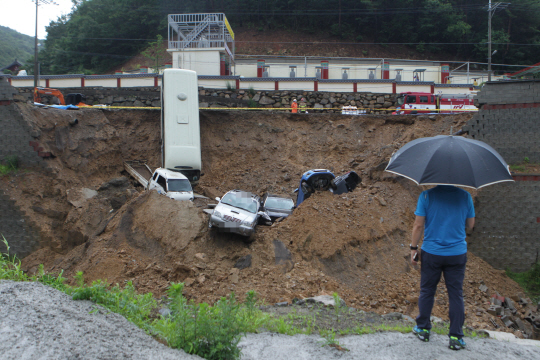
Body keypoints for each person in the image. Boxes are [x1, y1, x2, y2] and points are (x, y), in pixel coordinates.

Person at [410, 185, 475, 351]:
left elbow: (418, 226)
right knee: (455, 294)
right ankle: (455, 337)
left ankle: (423, 329)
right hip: (457, 254)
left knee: (427, 290)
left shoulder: (426, 196)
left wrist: (413, 249)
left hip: (431, 253)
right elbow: (471, 225)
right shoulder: (465, 196)